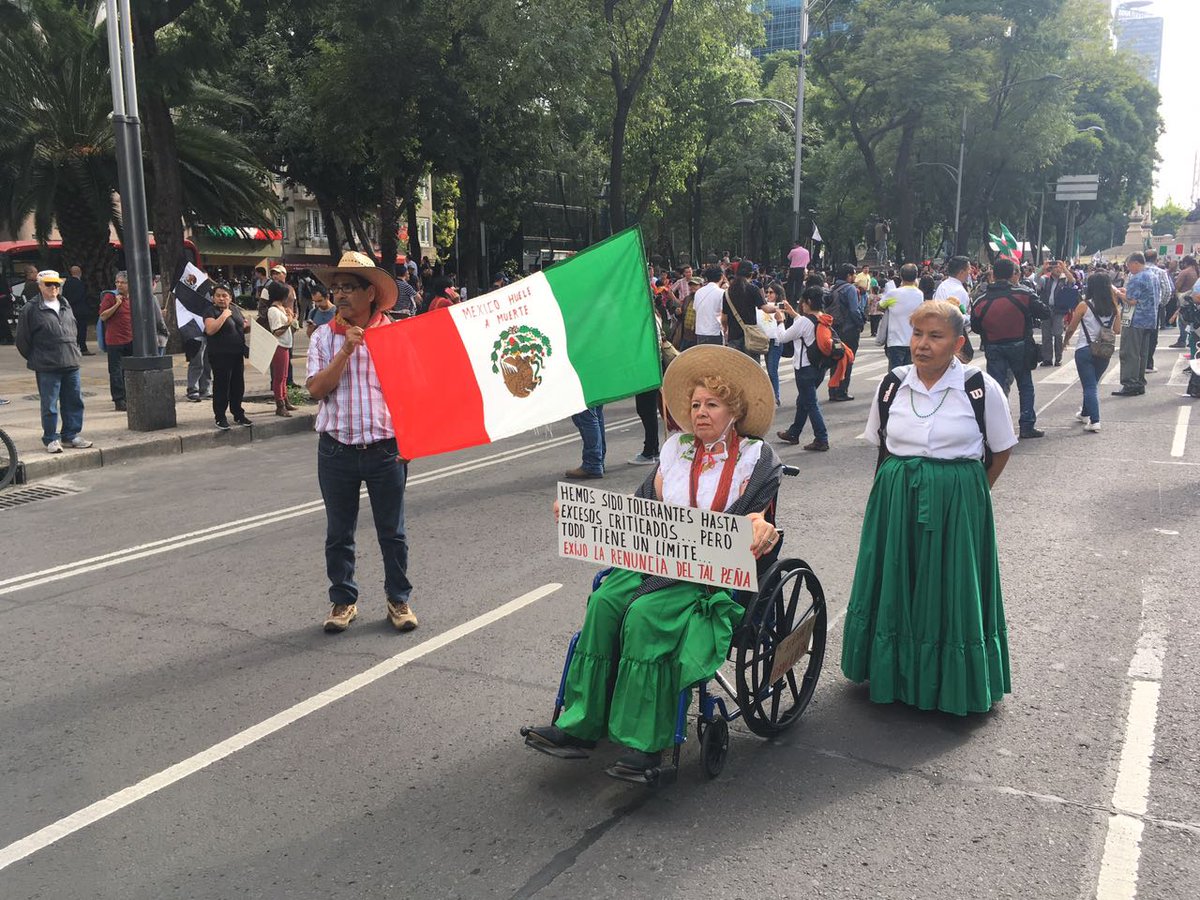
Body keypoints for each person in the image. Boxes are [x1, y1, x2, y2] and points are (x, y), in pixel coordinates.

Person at [524, 345, 782, 774]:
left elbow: (757, 513)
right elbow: (640, 508)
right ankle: (581, 723)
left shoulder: (755, 457)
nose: (700, 413)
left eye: (712, 404)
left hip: (711, 574)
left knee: (645, 616)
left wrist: (760, 526)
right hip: (657, 559)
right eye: (695, 405)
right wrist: (581, 511)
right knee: (604, 602)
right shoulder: (676, 449)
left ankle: (645, 744)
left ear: (733, 411)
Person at [842, 300, 1017, 714]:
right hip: (896, 500)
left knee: (951, 589)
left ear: (957, 343)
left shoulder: (979, 387)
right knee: (895, 584)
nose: (922, 344)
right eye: (917, 334)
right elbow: (882, 444)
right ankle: (891, 673)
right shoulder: (892, 384)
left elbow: (1001, 450)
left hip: (957, 504)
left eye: (935, 336)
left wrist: (969, 496)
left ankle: (951, 684)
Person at [306, 250, 416, 634]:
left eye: (348, 287)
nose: (339, 294)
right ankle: (343, 601)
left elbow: (410, 394)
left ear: (370, 293)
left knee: (393, 532)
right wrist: (346, 350)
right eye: (335, 287)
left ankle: (398, 599)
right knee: (339, 533)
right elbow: (316, 390)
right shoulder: (323, 337)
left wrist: (409, 441)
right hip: (336, 450)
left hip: (386, 450)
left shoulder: (394, 336)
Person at [14, 271, 93, 453]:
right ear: (40, 285)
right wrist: (36, 357)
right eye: (49, 284)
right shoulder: (31, 309)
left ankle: (71, 435)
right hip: (47, 365)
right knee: (49, 405)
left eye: (56, 284)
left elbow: (73, 329)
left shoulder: (65, 304)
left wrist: (75, 351)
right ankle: (51, 438)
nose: (53, 288)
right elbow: (22, 340)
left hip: (70, 361)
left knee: (74, 401)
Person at [971, 257, 1048, 438]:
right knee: (1025, 386)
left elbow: (975, 327)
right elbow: (1045, 312)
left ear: (993, 275)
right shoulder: (1024, 294)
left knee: (996, 388)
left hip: (993, 346)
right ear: (1013, 274)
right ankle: (1027, 425)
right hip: (1020, 345)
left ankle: (998, 427)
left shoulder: (980, 300)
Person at [774, 285, 832, 451]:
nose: (801, 304)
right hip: (819, 367)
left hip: (804, 369)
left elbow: (783, 337)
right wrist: (793, 313)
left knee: (810, 403)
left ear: (808, 302)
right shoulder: (823, 318)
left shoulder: (805, 321)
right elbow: (805, 326)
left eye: (803, 302)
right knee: (803, 401)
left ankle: (821, 438)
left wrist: (780, 321)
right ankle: (794, 432)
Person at [1064, 272, 1121, 433]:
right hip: (1104, 350)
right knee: (1092, 383)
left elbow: (1072, 327)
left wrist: (1065, 341)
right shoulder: (1114, 307)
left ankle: (1095, 420)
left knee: (1089, 386)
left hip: (1085, 348)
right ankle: (1085, 413)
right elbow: (1117, 330)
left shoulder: (1084, 305)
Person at [204, 285, 252, 430]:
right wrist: (224, 316)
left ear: (230, 297)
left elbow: (241, 327)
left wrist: (248, 326)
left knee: (237, 386)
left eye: (224, 295)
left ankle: (238, 414)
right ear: (213, 298)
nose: (221, 298)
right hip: (220, 355)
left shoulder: (235, 310)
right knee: (222, 386)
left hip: (237, 354)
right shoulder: (210, 311)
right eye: (218, 295)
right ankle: (220, 417)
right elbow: (210, 330)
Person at [1113, 252, 1157, 398]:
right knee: (1142, 353)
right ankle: (1139, 382)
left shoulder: (1137, 278)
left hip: (1135, 319)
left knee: (1130, 352)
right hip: (1149, 319)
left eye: (1129, 265)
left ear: (1136, 263)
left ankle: (1130, 383)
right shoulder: (1153, 276)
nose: (1128, 268)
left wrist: (1118, 293)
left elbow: (1131, 301)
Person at [98, 271, 134, 411]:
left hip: (130, 339)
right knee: (116, 372)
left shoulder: (133, 297)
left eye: (122, 282)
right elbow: (103, 316)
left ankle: (129, 395)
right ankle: (119, 399)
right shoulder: (110, 297)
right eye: (117, 282)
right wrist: (117, 305)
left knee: (129, 370)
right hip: (115, 340)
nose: (119, 285)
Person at [827, 263, 864, 401]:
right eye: (854, 274)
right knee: (847, 360)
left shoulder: (833, 288)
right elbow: (854, 310)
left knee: (836, 359)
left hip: (835, 331)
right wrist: (860, 323)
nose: (855, 276)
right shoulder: (850, 289)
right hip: (849, 330)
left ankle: (833, 390)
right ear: (848, 276)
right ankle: (842, 391)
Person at [723, 260, 772, 358]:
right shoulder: (753, 289)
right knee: (752, 365)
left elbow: (724, 318)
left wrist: (725, 329)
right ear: (751, 274)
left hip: (734, 336)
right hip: (751, 336)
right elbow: (766, 309)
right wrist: (779, 307)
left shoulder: (727, 292)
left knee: (736, 365)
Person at [879, 262, 924, 369]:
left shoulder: (893, 293)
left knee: (895, 373)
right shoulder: (919, 294)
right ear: (916, 276)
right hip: (912, 340)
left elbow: (880, 306)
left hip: (895, 341)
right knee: (909, 372)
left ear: (900, 276)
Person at [263, 281, 297, 416]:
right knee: (279, 377)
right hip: (279, 345)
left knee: (284, 376)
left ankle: (285, 399)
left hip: (285, 344)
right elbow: (276, 331)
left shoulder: (281, 308)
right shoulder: (273, 310)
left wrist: (291, 317)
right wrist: (289, 321)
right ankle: (280, 404)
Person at [1039, 260, 1079, 367]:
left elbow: (1073, 281)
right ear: (1051, 269)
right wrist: (1043, 269)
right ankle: (1047, 359)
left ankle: (1058, 358)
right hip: (1046, 309)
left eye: (1059, 267)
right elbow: (1036, 281)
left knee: (1058, 334)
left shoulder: (1064, 280)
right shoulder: (1046, 279)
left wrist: (1065, 268)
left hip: (1059, 311)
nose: (1057, 269)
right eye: (1055, 267)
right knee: (1046, 335)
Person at [1142, 249, 1173, 372]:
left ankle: (1139, 362)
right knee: (1152, 336)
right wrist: (1161, 304)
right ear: (1156, 259)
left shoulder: (1136, 271)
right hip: (1155, 307)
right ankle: (1148, 363)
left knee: (1139, 335)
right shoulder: (1161, 272)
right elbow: (1167, 290)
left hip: (1138, 307)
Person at [762, 281, 787, 404]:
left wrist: (773, 308)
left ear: (777, 294)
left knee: (772, 370)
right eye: (767, 292)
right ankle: (772, 395)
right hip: (765, 339)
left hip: (776, 341)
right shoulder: (764, 305)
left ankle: (775, 396)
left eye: (771, 292)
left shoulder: (781, 305)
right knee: (769, 369)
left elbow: (782, 314)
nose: (768, 294)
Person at [62, 266, 93, 355]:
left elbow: (64, 296)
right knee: (82, 330)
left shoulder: (67, 283)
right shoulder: (80, 284)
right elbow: (84, 296)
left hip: (70, 310)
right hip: (81, 310)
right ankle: (83, 348)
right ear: (80, 272)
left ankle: (72, 348)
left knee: (72, 330)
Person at [692, 267, 725, 345]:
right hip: (715, 332)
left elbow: (695, 309)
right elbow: (724, 314)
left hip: (700, 332)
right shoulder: (722, 293)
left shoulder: (698, 292)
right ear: (721, 276)